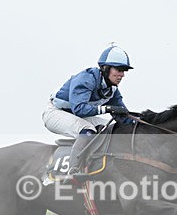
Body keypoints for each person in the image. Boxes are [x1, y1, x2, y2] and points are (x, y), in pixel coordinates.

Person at [43, 45, 134, 177]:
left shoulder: (112, 90)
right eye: (118, 70)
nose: (122, 75)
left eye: (124, 71)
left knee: (111, 128)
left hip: (76, 115)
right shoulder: (86, 79)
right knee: (88, 130)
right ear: (105, 68)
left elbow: (123, 117)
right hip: (55, 113)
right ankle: (73, 170)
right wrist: (107, 108)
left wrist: (141, 122)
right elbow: (79, 109)